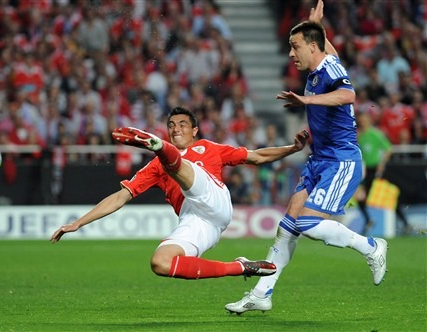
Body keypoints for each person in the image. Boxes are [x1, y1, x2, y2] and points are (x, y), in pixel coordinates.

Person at [225, 0, 388, 315]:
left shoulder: (328, 70)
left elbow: (348, 94)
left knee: (309, 223)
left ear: (312, 47)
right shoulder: (320, 67)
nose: (290, 53)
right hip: (319, 159)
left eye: (294, 46)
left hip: (341, 160)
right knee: (287, 226)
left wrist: (305, 99)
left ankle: (371, 246)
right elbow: (328, 53)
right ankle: (262, 293)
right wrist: (317, 25)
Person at [51, 106, 309, 280]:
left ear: (195, 130)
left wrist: (293, 148)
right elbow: (121, 196)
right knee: (160, 262)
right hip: (195, 220)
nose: (176, 129)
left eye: (183, 125)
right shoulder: (155, 167)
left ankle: (156, 145)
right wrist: (78, 222)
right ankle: (241, 266)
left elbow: (256, 156)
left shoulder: (209, 147)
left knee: (184, 170)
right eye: (171, 125)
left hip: (214, 198)